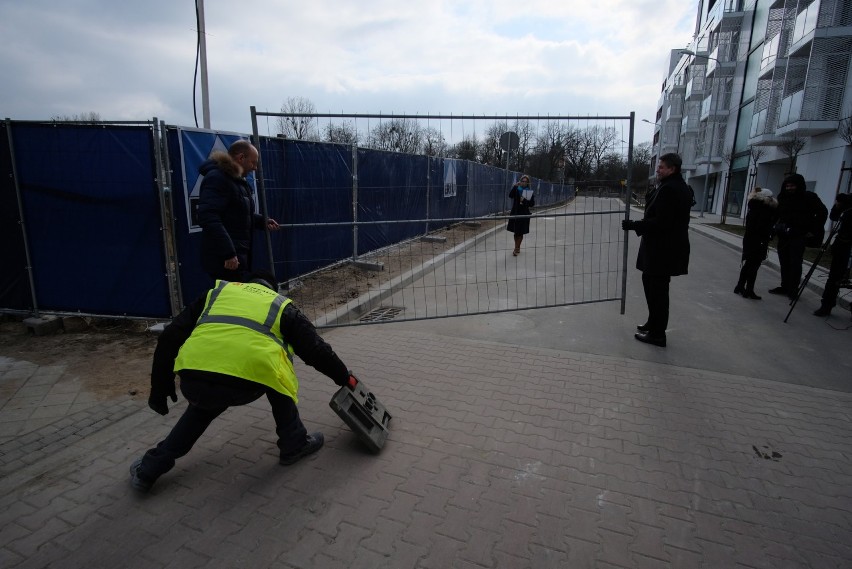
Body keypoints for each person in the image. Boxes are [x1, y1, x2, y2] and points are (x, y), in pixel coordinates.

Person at [129, 271, 354, 492]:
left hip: (193, 377)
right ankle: (294, 444)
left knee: (203, 406)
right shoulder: (280, 305)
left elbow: (170, 336)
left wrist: (160, 388)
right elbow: (317, 351)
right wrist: (345, 378)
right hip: (243, 384)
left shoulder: (217, 293)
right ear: (272, 289)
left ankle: (149, 470)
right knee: (277, 371)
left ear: (246, 284)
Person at [621, 153, 692, 347]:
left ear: (672, 169)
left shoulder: (671, 189)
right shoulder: (669, 186)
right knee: (650, 284)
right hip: (659, 248)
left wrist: (635, 225)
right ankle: (653, 323)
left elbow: (662, 222)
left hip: (663, 249)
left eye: (661, 167)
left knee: (658, 291)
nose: (658, 170)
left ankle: (658, 334)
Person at [198, 139, 280, 283]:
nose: (255, 168)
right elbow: (209, 217)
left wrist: (262, 221)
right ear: (241, 158)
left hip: (238, 255)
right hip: (226, 260)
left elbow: (239, 214)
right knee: (230, 299)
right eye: (253, 163)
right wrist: (228, 253)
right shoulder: (218, 178)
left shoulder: (237, 180)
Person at [768, 173, 827, 299]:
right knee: (784, 262)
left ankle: (793, 289)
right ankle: (785, 286)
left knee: (795, 263)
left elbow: (822, 212)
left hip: (798, 235)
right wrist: (772, 229)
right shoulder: (782, 197)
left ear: (799, 186)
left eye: (792, 185)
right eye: (787, 185)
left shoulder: (809, 197)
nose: (789, 188)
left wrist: (812, 229)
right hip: (784, 235)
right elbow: (777, 215)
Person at [734, 187, 779, 300]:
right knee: (753, 266)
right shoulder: (764, 210)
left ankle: (740, 286)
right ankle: (748, 290)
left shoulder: (754, 207)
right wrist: (770, 232)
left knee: (748, 264)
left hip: (750, 240)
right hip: (758, 241)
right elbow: (762, 227)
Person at [813, 193, 852, 317]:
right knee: (834, 278)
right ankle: (827, 305)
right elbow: (834, 216)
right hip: (843, 246)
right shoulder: (848, 202)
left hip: (845, 245)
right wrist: (838, 205)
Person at [506, 175, 535, 256]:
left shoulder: (529, 191)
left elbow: (532, 204)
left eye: (526, 181)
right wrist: (514, 186)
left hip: (524, 213)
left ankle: (516, 248)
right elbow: (510, 196)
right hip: (515, 212)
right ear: (520, 181)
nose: (524, 183)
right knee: (516, 232)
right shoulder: (516, 189)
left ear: (528, 183)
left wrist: (525, 199)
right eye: (523, 181)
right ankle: (517, 247)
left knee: (520, 232)